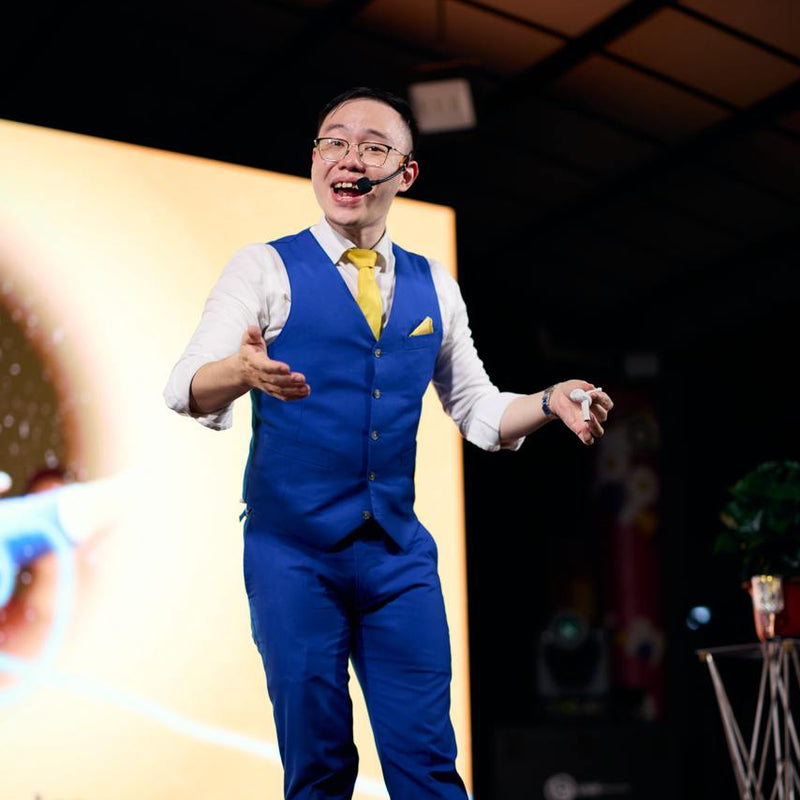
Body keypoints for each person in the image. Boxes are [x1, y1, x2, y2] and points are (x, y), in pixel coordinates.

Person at [164, 86, 613, 800]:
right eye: (333, 143)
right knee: (319, 768)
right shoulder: (264, 268)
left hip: (397, 557)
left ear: (405, 174)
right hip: (292, 553)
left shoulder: (435, 285)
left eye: (372, 147)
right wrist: (239, 372)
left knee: (429, 768)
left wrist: (548, 401)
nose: (349, 159)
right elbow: (185, 385)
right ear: (315, 161)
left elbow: (479, 410)